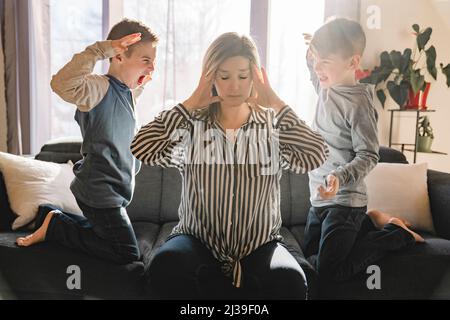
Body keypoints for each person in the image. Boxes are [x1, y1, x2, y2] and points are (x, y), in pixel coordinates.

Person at [130, 32, 329, 299]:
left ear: (255, 77)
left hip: (260, 245)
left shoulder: (273, 126)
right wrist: (189, 104)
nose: (234, 85)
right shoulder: (192, 124)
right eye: (224, 76)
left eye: (243, 76)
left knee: (290, 281)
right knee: (166, 266)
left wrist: (276, 104)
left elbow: (316, 154)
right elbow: (141, 147)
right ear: (210, 77)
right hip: (197, 240)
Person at [16, 19, 158, 265]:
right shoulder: (98, 88)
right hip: (99, 192)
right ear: (119, 55)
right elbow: (60, 84)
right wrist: (99, 50)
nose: (152, 67)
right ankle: (59, 226)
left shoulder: (127, 93)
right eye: (146, 60)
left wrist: (141, 81)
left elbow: (121, 118)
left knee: (108, 238)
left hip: (113, 192)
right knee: (127, 253)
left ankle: (55, 220)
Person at [302, 17, 424, 283]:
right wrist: (312, 49)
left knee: (328, 272)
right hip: (319, 199)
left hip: (345, 203)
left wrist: (340, 177)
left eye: (325, 62)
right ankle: (368, 223)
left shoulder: (358, 105)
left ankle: (396, 233)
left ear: (353, 63)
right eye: (315, 59)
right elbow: (314, 69)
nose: (317, 68)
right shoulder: (326, 88)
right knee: (307, 262)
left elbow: (369, 155)